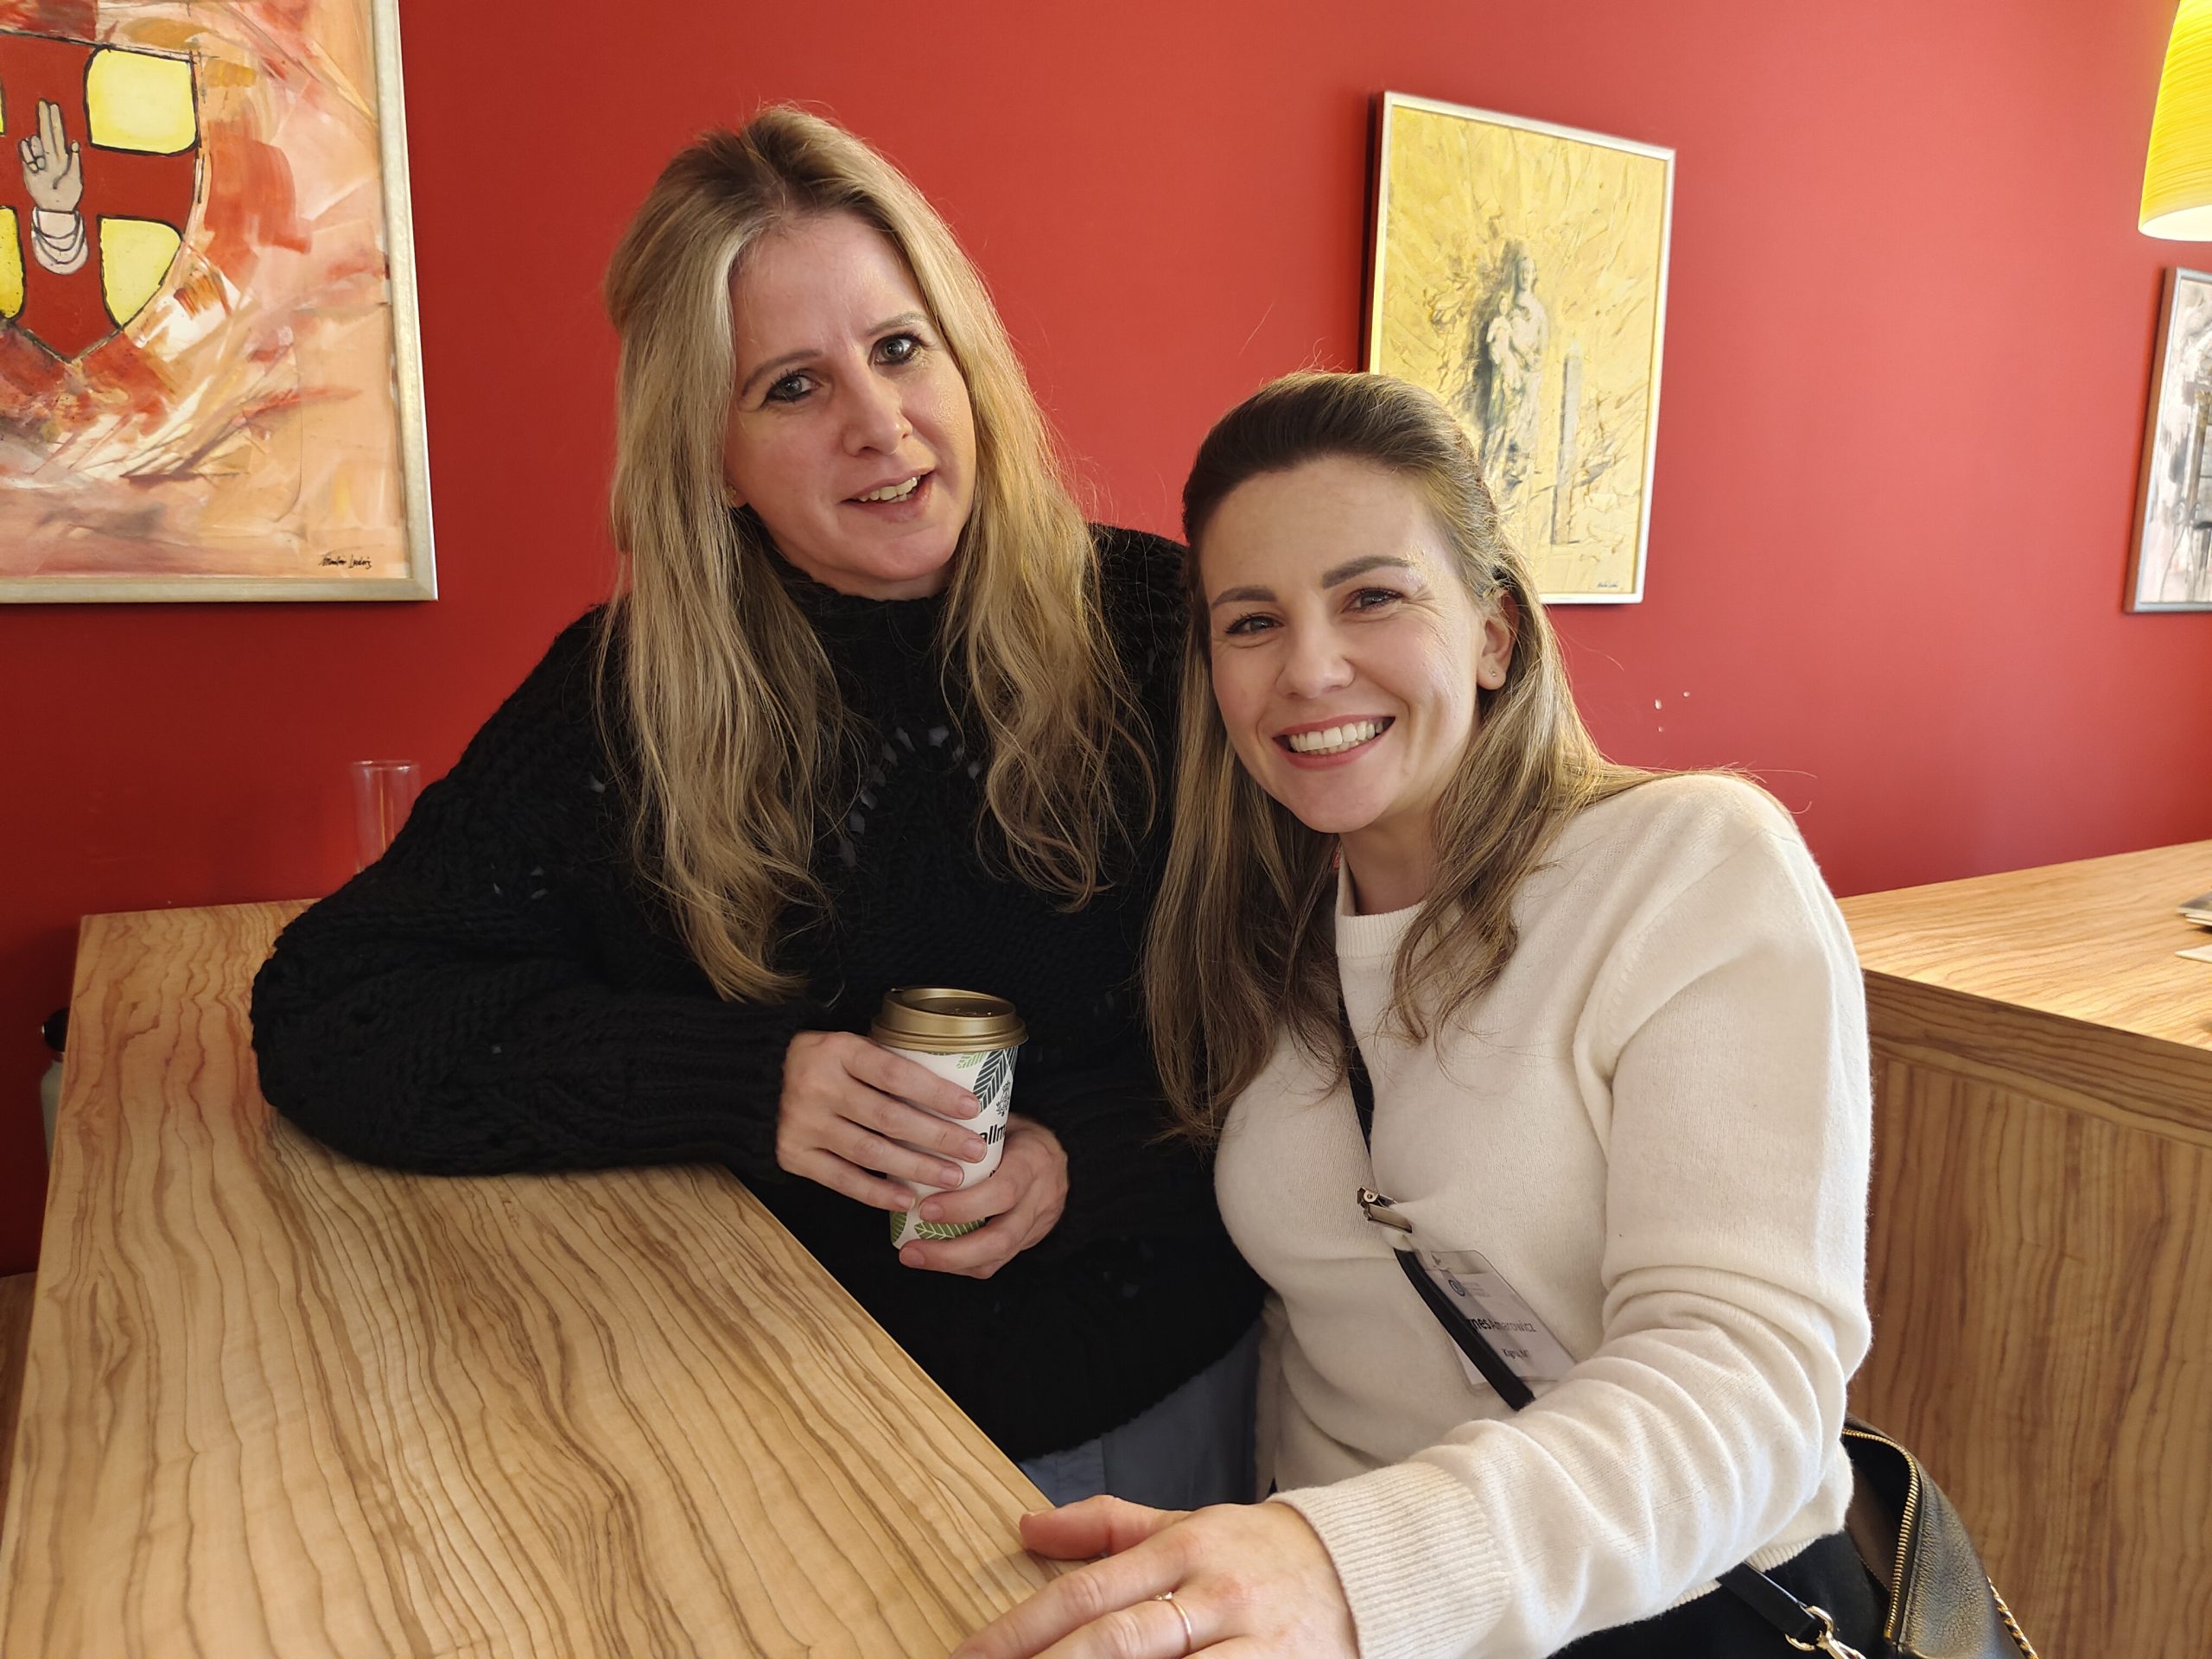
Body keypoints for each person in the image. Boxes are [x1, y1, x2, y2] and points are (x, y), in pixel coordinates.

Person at [250, 107, 1261, 1510]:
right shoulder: (630, 698)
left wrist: (1082, 1159)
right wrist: (740, 1083)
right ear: (709, 450)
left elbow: (1329, 1014)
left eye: (900, 348)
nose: (879, 425)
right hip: (768, 1424)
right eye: (792, 387)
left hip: (1155, 1405)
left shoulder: (1169, 630)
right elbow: (336, 1010)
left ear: (967, 357)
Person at [956, 371, 1878, 1658]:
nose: (1309, 668)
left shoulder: (1688, 866)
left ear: (1495, 632)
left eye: (1373, 597)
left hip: (1659, 1614)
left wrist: (1348, 1565)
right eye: (1252, 621)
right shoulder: (1258, 934)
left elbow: (1748, 1386)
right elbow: (1318, 1329)